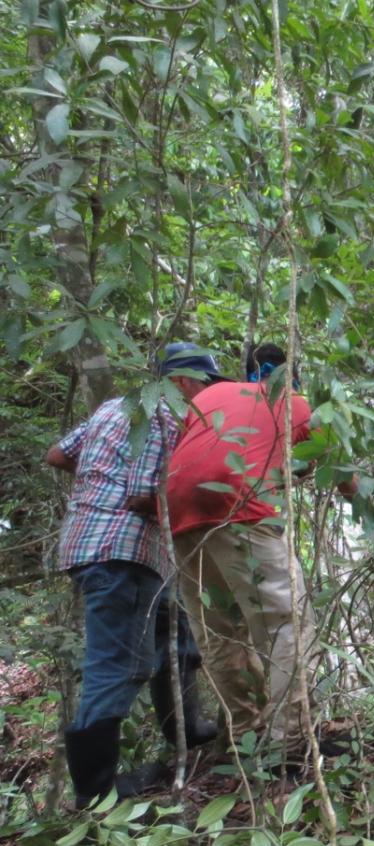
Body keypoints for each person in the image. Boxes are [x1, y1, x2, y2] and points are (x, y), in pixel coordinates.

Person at [48, 344, 223, 806]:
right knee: (118, 667)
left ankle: (187, 730)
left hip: (101, 546)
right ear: (184, 382)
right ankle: (95, 794)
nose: (203, 397)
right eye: (204, 386)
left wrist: (97, 484)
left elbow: (57, 454)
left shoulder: (114, 408)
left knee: (177, 636)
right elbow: (143, 495)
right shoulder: (164, 416)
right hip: (122, 550)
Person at [164, 342, 353, 756]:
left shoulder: (213, 395)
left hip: (179, 512)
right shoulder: (296, 402)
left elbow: (209, 451)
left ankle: (242, 735)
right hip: (239, 503)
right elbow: (341, 467)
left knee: (218, 629)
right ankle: (290, 740)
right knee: (287, 623)